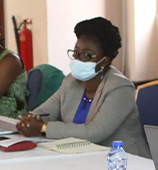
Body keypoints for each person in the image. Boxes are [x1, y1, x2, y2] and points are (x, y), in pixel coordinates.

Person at [17, 18, 150, 157]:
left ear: (104, 61)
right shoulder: (71, 81)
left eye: (86, 55)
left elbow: (94, 133)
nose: (78, 59)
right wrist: (29, 120)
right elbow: (45, 112)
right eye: (76, 52)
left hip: (123, 162)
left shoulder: (120, 88)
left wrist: (42, 127)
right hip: (81, 156)